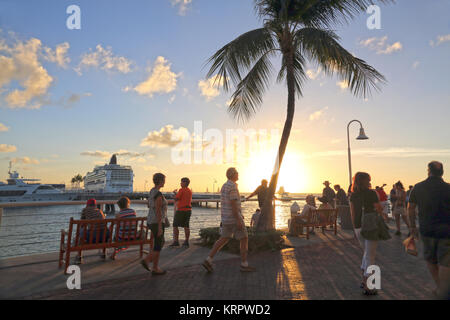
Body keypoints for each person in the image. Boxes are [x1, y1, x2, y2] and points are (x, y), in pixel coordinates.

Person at [408, 161, 450, 299]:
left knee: (431, 259)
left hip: (427, 229)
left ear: (428, 171)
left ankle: (440, 287)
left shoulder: (418, 187)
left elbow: (411, 208)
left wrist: (412, 226)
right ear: (442, 172)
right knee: (445, 261)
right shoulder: (448, 188)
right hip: (446, 230)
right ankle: (444, 290)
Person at [202, 167, 255, 273]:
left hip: (226, 218)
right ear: (232, 175)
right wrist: (238, 219)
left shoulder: (225, 186)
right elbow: (233, 204)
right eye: (236, 172)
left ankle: (209, 259)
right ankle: (244, 264)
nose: (238, 174)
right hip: (234, 219)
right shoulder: (232, 187)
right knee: (244, 238)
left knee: (224, 238)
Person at [350, 172, 388, 295]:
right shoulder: (371, 193)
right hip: (370, 226)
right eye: (369, 179)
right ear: (365, 181)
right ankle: (369, 286)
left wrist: (355, 228)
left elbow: (352, 213)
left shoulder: (353, 195)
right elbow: (378, 208)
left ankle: (364, 280)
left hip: (357, 226)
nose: (370, 181)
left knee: (366, 253)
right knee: (370, 255)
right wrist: (381, 212)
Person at [141, 173, 168, 275]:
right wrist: (160, 227)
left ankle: (155, 267)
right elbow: (158, 211)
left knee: (159, 243)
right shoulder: (158, 195)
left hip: (150, 221)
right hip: (157, 222)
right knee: (159, 244)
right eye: (164, 180)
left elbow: (149, 205)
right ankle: (147, 260)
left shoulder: (152, 191)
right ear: (161, 181)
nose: (165, 182)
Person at [76, 199, 107, 264]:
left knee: (81, 230)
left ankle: (79, 255)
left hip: (93, 238)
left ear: (87, 204)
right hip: (104, 238)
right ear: (95, 205)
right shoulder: (100, 211)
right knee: (101, 230)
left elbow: (82, 223)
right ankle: (104, 253)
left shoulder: (85, 210)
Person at [169, 177, 193, 248]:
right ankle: (186, 241)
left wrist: (173, 194)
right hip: (188, 210)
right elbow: (182, 197)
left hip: (181, 210)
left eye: (182, 182)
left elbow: (176, 198)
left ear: (185, 183)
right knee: (186, 226)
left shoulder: (181, 190)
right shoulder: (189, 191)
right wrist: (177, 194)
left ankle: (176, 241)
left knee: (175, 225)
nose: (180, 183)